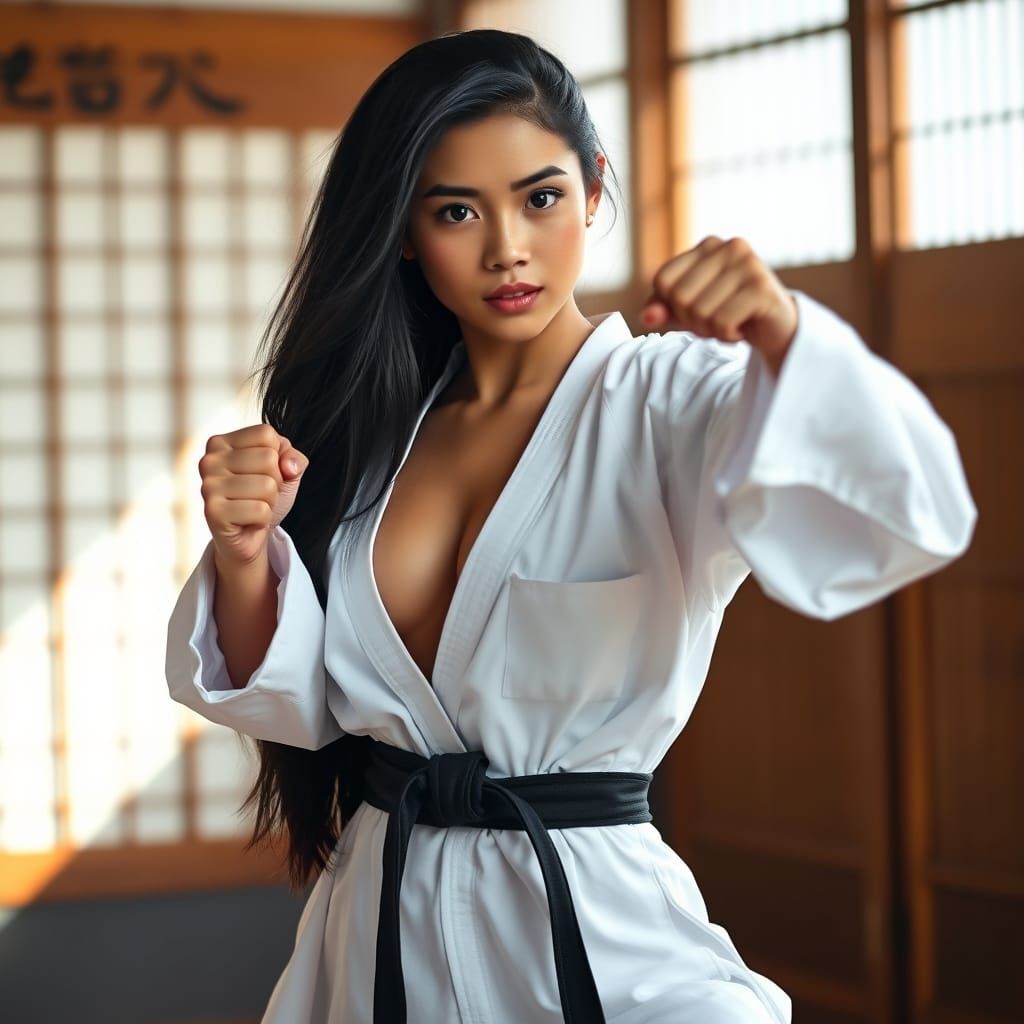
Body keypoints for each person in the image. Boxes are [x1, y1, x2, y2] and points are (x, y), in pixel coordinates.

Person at [165, 27, 977, 1024]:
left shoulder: (671, 400)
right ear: (407, 235)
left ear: (594, 189)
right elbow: (295, 705)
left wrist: (783, 336)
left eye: (539, 198)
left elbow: (913, 508)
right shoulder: (366, 430)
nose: (507, 247)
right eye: (456, 210)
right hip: (377, 933)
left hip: (593, 935)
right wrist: (246, 552)